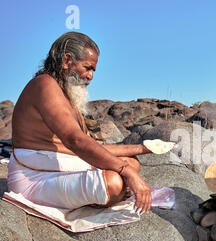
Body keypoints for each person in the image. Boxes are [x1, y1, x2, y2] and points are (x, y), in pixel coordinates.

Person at [8, 32, 152, 214]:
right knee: (114, 183)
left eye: (93, 70)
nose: (91, 76)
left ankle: (94, 195)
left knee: (133, 164)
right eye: (88, 68)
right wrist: (126, 172)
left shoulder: (65, 94)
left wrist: (143, 148)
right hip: (34, 177)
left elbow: (91, 146)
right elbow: (75, 140)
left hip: (59, 166)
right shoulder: (44, 85)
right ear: (67, 60)